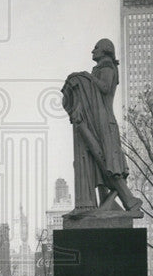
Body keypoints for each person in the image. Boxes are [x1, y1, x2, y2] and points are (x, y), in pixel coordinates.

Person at [61, 38, 142, 216]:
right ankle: (109, 204)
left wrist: (87, 77)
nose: (93, 51)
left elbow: (104, 88)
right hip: (97, 120)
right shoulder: (100, 68)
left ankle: (129, 201)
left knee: (106, 160)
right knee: (98, 162)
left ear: (105, 50)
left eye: (96, 48)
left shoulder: (107, 67)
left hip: (104, 121)